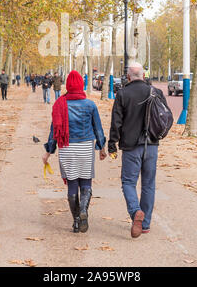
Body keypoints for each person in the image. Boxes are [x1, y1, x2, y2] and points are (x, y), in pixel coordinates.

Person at [43, 70, 107, 233]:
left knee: (72, 184)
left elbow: (54, 131)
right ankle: (84, 211)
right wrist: (101, 147)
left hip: (67, 148)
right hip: (85, 147)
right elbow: (98, 128)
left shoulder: (60, 104)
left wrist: (49, 151)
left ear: (69, 85)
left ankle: (77, 221)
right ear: (81, 85)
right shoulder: (90, 105)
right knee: (85, 182)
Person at [108, 62, 166, 238]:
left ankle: (135, 212)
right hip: (152, 144)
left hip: (131, 146)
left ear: (128, 77)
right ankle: (145, 224)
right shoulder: (156, 92)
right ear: (143, 75)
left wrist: (112, 144)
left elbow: (116, 122)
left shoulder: (123, 94)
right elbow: (164, 116)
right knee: (148, 184)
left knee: (128, 182)